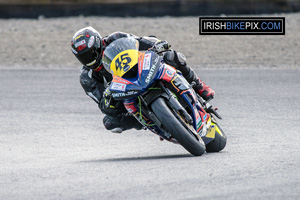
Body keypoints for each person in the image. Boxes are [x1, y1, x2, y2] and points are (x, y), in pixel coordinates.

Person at [71, 26, 215, 133]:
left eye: (91, 53)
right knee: (110, 121)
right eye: (84, 57)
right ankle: (154, 121)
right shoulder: (87, 77)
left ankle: (200, 87)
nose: (89, 59)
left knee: (171, 56)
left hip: (142, 70)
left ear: (98, 44)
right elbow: (103, 106)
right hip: (124, 94)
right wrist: (108, 97)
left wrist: (157, 44)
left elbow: (141, 41)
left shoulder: (115, 38)